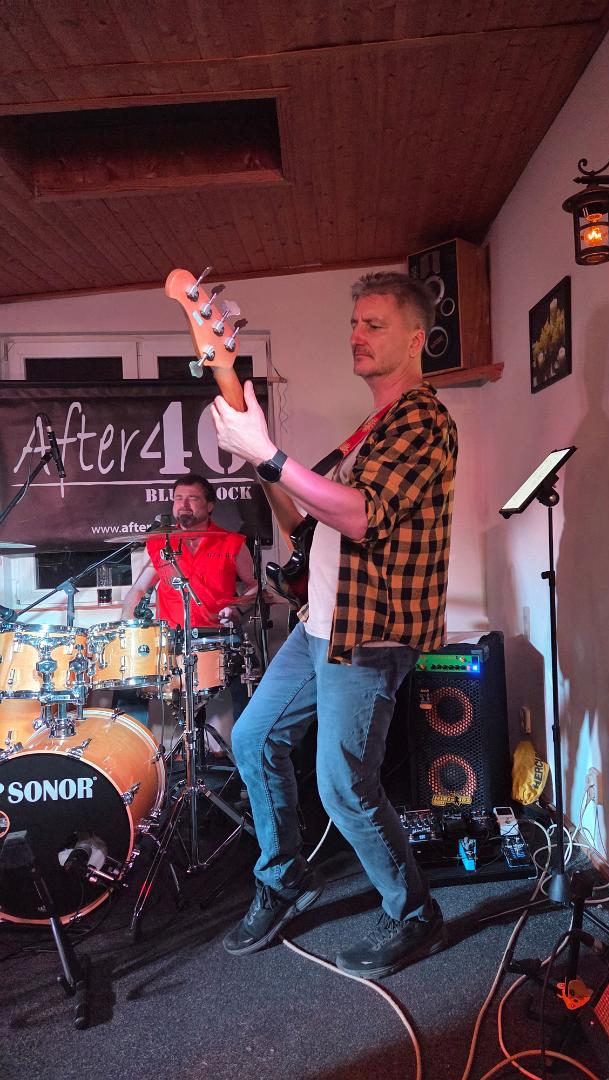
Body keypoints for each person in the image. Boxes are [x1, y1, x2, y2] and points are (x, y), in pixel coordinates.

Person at [210, 271, 457, 978]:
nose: (357, 333)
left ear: (416, 338)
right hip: (321, 621)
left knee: (345, 786)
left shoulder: (424, 420)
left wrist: (270, 454)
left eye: (374, 324)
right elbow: (305, 522)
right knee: (254, 737)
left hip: (367, 634)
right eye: (354, 322)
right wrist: (262, 463)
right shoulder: (370, 430)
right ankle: (284, 877)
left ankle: (415, 914)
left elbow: (362, 515)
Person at [120, 475, 258, 733]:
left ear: (210, 505)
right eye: (178, 499)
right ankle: (132, 746)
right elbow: (139, 589)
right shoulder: (160, 543)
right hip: (173, 638)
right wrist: (128, 633)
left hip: (220, 635)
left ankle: (247, 749)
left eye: (192, 498)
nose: (183, 504)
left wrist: (237, 609)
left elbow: (253, 585)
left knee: (250, 681)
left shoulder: (232, 542)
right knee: (128, 677)